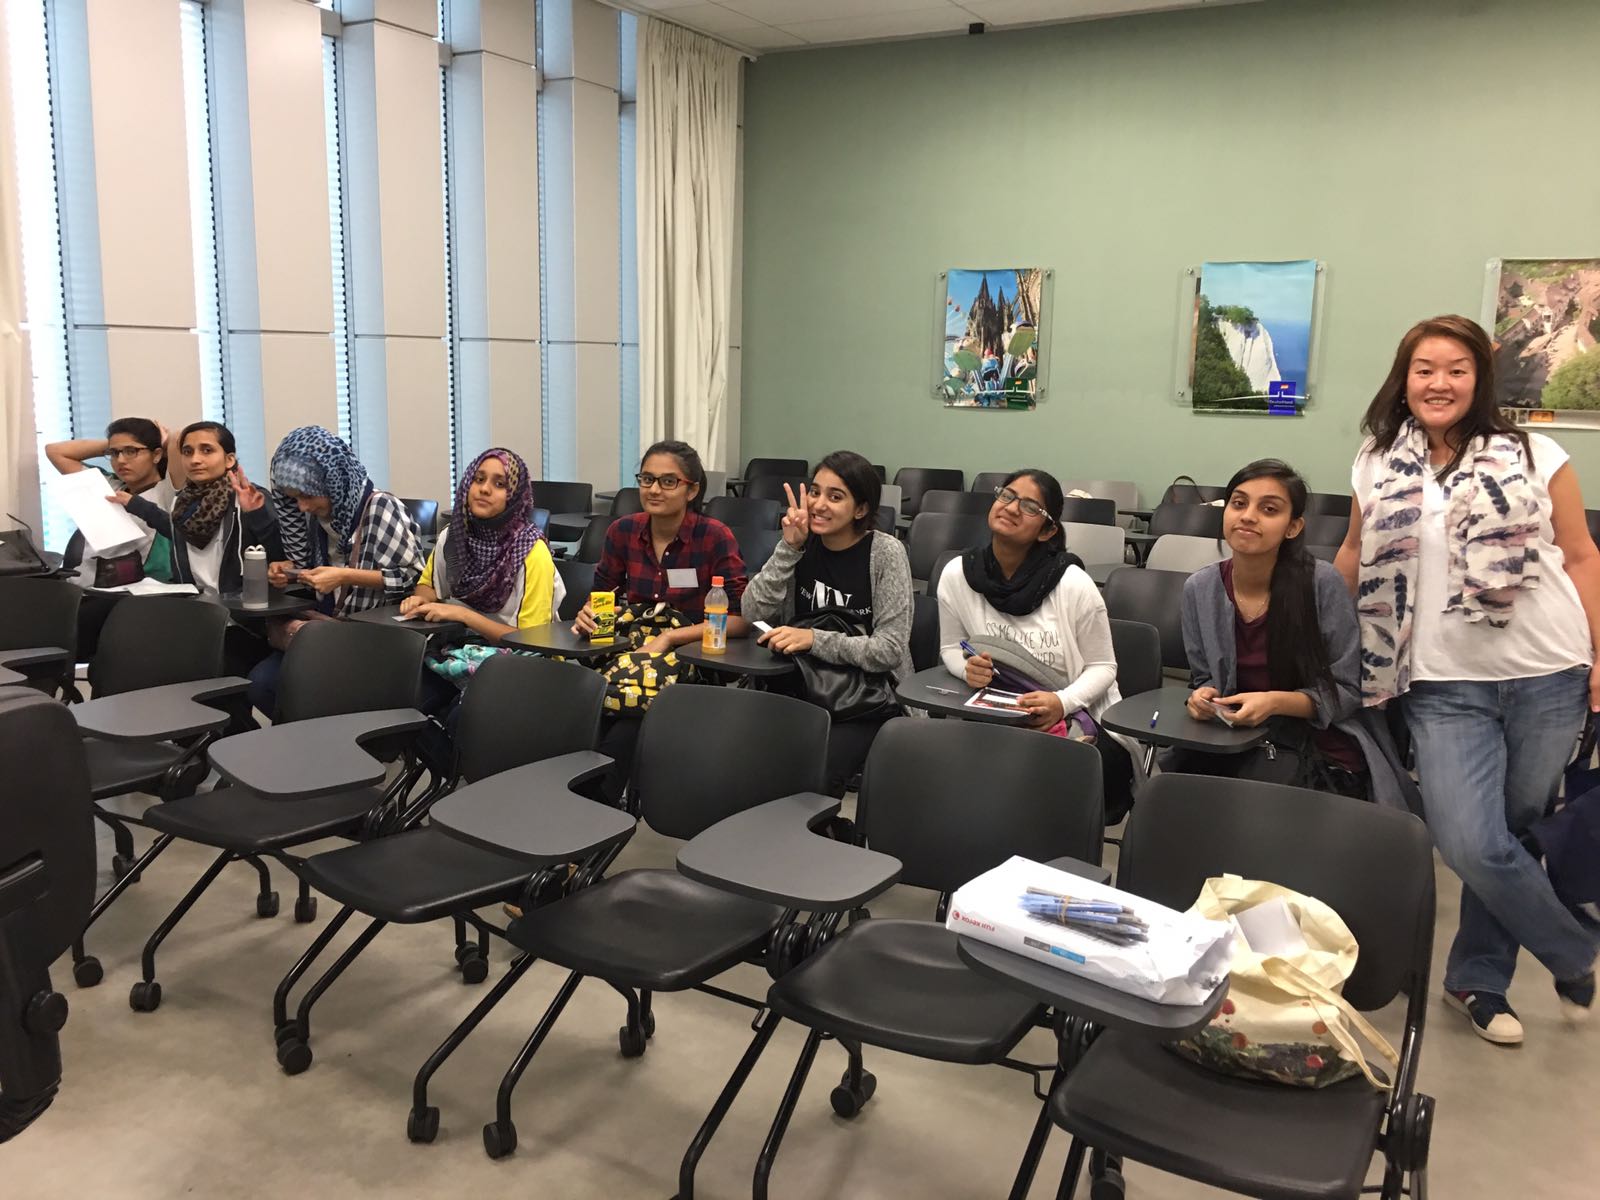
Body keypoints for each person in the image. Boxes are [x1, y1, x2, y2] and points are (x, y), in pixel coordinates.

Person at [1337, 314, 1599, 1045]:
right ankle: (1573, 949)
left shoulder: (1536, 453)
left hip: (1549, 671)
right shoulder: (1375, 461)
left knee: (1511, 833)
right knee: (1470, 842)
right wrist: (1325, 636)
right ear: (1404, 380)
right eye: (1425, 369)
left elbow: (1581, 556)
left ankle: (1478, 980)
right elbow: (1354, 551)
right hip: (1441, 682)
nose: (1439, 382)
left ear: (1480, 379)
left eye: (1457, 369)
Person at [1176, 458, 1411, 804]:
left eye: (1269, 509)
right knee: (1176, 804)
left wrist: (1274, 702)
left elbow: (1347, 689)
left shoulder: (1321, 583)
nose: (1248, 516)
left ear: (1293, 527)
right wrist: (1203, 697)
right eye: (1238, 503)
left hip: (1318, 743)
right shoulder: (1200, 588)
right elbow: (1203, 677)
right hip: (1235, 739)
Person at [936, 468, 1135, 823]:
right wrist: (965, 669)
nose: (1012, 508)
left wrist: (1061, 703)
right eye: (1007, 496)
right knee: (947, 767)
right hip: (996, 711)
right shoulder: (957, 575)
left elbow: (1104, 667)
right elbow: (950, 647)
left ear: (1047, 530)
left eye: (1030, 507)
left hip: (1077, 713)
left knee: (1042, 781)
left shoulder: (1072, 584)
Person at [573, 440, 749, 803]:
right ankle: (579, 801)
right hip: (632, 651)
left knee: (625, 723)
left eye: (669, 481)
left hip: (694, 655)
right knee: (580, 707)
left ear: (692, 490)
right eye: (647, 479)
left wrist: (671, 639)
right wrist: (589, 614)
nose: (654, 489)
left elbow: (739, 619)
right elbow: (602, 595)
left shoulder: (714, 536)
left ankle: (593, 807)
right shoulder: (622, 531)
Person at [742, 450, 913, 797]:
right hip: (800, 682)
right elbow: (751, 611)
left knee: (816, 773)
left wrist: (814, 639)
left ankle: (816, 827)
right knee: (744, 756)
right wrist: (788, 548)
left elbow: (889, 651)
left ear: (860, 509)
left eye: (835, 497)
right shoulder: (801, 543)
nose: (818, 504)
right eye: (815, 492)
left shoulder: (885, 553)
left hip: (866, 696)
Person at [248, 426, 423, 717]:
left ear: (333, 483)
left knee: (288, 689)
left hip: (373, 638)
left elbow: (410, 578)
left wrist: (343, 576)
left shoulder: (380, 507)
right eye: (294, 498)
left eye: (307, 496)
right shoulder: (320, 516)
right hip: (327, 631)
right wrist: (288, 570)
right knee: (260, 684)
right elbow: (313, 566)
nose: (302, 506)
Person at [401, 447, 562, 643]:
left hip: (520, 656)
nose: (484, 489)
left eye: (500, 484)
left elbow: (531, 640)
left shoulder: (531, 551)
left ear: (515, 496)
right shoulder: (454, 536)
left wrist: (464, 615)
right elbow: (429, 585)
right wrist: (421, 600)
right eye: (478, 479)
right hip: (459, 647)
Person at [46, 417, 176, 658]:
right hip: (85, 591)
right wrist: (113, 445)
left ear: (156, 455)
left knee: (49, 634)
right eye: (115, 454)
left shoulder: (169, 492)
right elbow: (55, 451)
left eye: (132, 452)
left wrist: (165, 443)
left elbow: (180, 453)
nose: (121, 461)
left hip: (131, 598)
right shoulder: (106, 486)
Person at [115, 420, 281, 597]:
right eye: (187, 452)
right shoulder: (184, 499)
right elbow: (178, 531)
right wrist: (135, 504)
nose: (195, 460)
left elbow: (279, 554)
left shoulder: (248, 497)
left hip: (239, 603)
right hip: (194, 601)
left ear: (229, 459)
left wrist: (258, 514)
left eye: (207, 450)